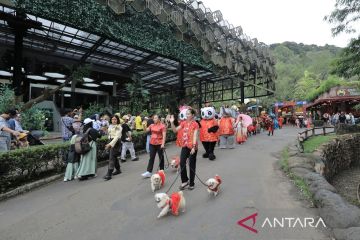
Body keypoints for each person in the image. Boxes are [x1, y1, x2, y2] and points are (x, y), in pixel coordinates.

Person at [170, 108, 199, 190]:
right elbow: (175, 130)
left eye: (189, 114)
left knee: (192, 165)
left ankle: (192, 183)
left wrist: (193, 147)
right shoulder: (183, 123)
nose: (187, 115)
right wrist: (172, 122)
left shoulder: (195, 124)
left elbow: (195, 136)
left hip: (192, 147)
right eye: (186, 114)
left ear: (193, 115)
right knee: (182, 162)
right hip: (185, 146)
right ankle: (185, 181)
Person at [103, 115, 123, 181]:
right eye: (112, 119)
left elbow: (116, 137)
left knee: (111, 157)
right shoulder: (111, 126)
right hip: (111, 141)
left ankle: (109, 173)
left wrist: (110, 144)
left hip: (116, 142)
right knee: (113, 156)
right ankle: (118, 169)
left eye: (115, 119)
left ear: (117, 120)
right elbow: (109, 134)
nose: (114, 121)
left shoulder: (118, 127)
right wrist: (105, 130)